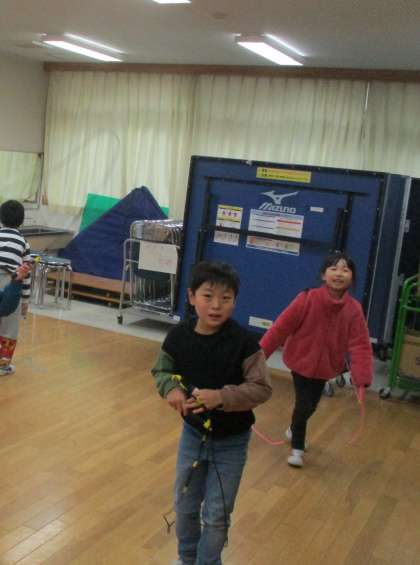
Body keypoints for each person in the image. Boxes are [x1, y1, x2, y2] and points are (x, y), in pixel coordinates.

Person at [151, 261, 272, 565]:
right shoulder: (178, 337)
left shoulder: (244, 343)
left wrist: (220, 397)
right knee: (184, 506)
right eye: (208, 296)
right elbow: (161, 371)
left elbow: (261, 388)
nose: (216, 305)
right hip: (192, 436)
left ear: (235, 301)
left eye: (225, 298)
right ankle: (186, 558)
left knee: (217, 515)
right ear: (191, 296)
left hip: (232, 442)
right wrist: (171, 390)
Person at [260, 252, 373, 469]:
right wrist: (258, 357)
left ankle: (294, 428)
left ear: (352, 278)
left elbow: (360, 343)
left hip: (326, 367)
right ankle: (297, 449)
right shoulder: (307, 298)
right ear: (323, 275)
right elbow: (280, 328)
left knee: (311, 405)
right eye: (333, 268)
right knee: (303, 404)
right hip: (300, 362)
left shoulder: (354, 309)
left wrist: (361, 376)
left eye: (345, 270)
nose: (339, 274)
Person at [0, 200, 31, 376]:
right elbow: (26, 273)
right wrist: (25, 300)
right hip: (11, 282)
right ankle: (2, 366)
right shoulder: (24, 242)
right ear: (22, 221)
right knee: (9, 326)